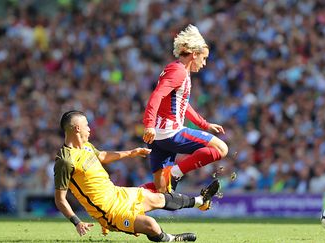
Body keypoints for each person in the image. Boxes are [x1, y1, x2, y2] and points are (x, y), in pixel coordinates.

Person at [54, 110, 220, 242]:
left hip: (118, 194)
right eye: (86, 125)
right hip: (109, 212)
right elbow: (60, 199)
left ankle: (200, 201)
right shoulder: (65, 161)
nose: (89, 128)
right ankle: (171, 240)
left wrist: (131, 153)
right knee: (151, 225)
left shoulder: (86, 146)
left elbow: (102, 156)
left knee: (159, 198)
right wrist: (77, 221)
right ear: (77, 128)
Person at [142, 24, 228, 199]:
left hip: (159, 137)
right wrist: (148, 124)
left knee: (161, 192)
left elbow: (182, 104)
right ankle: (175, 173)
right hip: (169, 132)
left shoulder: (175, 69)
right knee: (221, 148)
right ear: (194, 54)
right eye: (203, 59)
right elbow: (156, 96)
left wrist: (205, 125)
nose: (203, 64)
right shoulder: (179, 72)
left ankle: (122, 202)